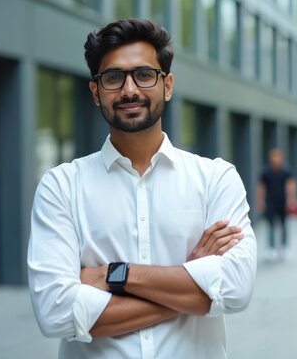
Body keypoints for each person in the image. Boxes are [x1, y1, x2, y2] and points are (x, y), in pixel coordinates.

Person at [27, 19, 257, 359]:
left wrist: (112, 275)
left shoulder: (216, 178)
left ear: (167, 85)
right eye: (113, 78)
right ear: (95, 92)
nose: (130, 90)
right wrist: (193, 287)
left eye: (145, 75)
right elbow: (55, 312)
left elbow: (236, 289)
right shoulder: (61, 186)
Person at [255, 148, 297, 259]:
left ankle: (284, 247)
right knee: (270, 225)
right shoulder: (266, 172)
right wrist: (260, 201)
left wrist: (292, 200)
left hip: (283, 202)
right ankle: (271, 248)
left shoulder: (286, 171)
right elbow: (261, 187)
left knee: (283, 225)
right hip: (270, 202)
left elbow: (291, 185)